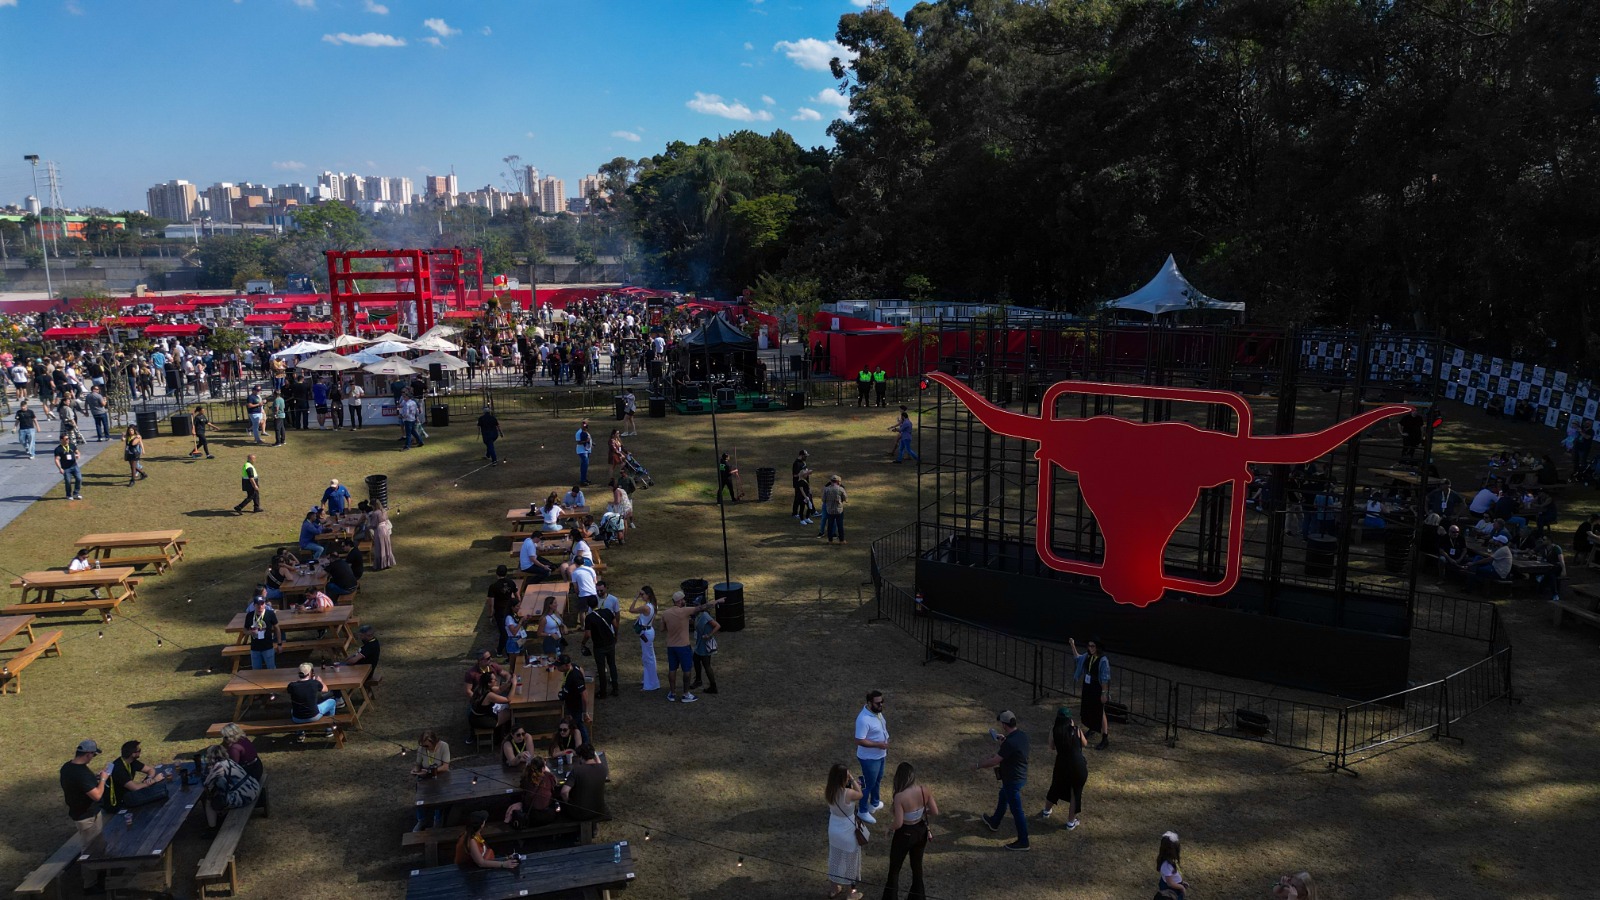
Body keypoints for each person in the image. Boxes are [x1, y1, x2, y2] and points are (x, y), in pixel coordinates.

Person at [975, 710, 1030, 850]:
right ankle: (994, 822)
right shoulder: (1021, 736)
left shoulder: (1009, 743)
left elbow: (995, 761)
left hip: (1012, 780)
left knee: (1017, 811)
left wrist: (978, 765)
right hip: (1020, 776)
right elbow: (1015, 751)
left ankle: (1023, 842)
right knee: (1003, 794)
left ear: (1005, 725)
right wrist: (1004, 742)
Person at [882, 762, 937, 900]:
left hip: (905, 833)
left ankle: (890, 897)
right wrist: (921, 812)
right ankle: (918, 896)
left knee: (895, 868)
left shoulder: (899, 797)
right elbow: (935, 811)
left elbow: (899, 822)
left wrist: (889, 828)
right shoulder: (924, 790)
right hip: (920, 831)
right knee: (917, 867)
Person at [1040, 706, 1088, 829]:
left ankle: (1046, 811)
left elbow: (1052, 746)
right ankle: (1071, 822)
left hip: (1062, 764)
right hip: (1078, 766)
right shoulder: (1076, 730)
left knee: (1055, 787)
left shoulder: (1054, 730)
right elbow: (1084, 743)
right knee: (1075, 793)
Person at [825, 763, 866, 900]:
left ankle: (834, 889)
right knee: (850, 863)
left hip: (834, 829)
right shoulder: (848, 793)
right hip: (847, 831)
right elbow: (860, 794)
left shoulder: (829, 791)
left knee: (835, 859)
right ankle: (851, 893)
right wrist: (853, 779)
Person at [200, 743, 261, 829]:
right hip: (253, 787)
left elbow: (206, 784)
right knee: (220, 792)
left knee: (209, 800)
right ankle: (220, 815)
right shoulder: (230, 761)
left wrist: (207, 772)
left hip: (245, 795)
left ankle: (212, 828)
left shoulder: (217, 768)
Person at [1068, 636, 1113, 749]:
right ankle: (1092, 728)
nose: (1090, 648)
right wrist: (1072, 645)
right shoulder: (1087, 656)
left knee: (1100, 711)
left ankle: (1105, 738)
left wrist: (1104, 693)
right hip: (1088, 686)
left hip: (1097, 687)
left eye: (1093, 646)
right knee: (1089, 707)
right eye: (1089, 646)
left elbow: (1105, 678)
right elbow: (1077, 658)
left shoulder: (1103, 660)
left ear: (1097, 647)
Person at [657, 590, 699, 703]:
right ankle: (686, 694)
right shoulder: (684, 611)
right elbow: (700, 608)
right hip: (683, 646)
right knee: (687, 670)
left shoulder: (666, 613)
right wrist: (717, 601)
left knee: (672, 669)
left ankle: (672, 693)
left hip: (671, 646)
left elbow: (661, 629)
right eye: (683, 599)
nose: (684, 601)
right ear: (679, 601)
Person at [854, 690, 889, 823]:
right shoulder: (863, 719)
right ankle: (862, 810)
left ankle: (874, 803)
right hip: (869, 758)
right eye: (878, 703)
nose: (881, 705)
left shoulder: (877, 713)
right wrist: (878, 745)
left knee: (877, 779)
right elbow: (859, 740)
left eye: (882, 702)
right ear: (869, 703)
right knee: (868, 784)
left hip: (880, 755)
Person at [105, 740, 169, 811]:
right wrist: (154, 780)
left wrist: (149, 778)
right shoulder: (119, 769)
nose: (140, 752)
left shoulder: (130, 761)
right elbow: (135, 788)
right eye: (139, 750)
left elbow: (150, 770)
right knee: (158, 796)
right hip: (117, 804)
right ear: (133, 754)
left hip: (127, 795)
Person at [464, 650, 509, 744]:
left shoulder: (493, 666)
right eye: (488, 658)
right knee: (471, 712)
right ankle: (473, 733)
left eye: (490, 657)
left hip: (493, 694)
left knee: (507, 707)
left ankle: (503, 731)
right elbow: (468, 691)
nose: (491, 659)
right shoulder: (471, 673)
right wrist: (478, 700)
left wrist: (508, 680)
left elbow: (505, 673)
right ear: (480, 660)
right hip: (479, 698)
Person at [409, 729, 451, 831]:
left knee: (438, 796)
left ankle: (437, 820)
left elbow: (445, 767)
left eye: (427, 746)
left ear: (434, 742)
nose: (424, 748)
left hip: (440, 776)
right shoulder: (421, 749)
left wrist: (429, 771)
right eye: (423, 745)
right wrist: (416, 771)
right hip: (425, 777)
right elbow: (418, 764)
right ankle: (421, 820)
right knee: (420, 798)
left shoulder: (444, 746)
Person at [504, 757, 560, 828]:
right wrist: (548, 771)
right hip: (548, 816)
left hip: (532, 817)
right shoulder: (548, 776)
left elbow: (522, 785)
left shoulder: (527, 777)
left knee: (517, 799)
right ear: (543, 768)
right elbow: (555, 782)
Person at [560, 744, 609, 822]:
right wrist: (595, 755)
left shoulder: (577, 770)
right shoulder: (603, 769)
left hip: (580, 814)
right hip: (598, 810)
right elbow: (599, 763)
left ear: (581, 757)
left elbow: (564, 792)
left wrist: (568, 802)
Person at [583, 596, 620, 699]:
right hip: (610, 643)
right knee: (612, 665)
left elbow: (588, 634)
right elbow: (615, 625)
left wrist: (583, 643)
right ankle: (615, 688)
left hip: (599, 646)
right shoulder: (608, 611)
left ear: (588, 606)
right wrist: (616, 636)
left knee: (601, 668)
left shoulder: (589, 618)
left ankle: (603, 691)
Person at [286, 662, 337, 731]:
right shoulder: (314, 683)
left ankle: (300, 733)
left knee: (293, 709)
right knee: (332, 701)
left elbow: (290, 691)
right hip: (314, 716)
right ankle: (329, 729)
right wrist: (320, 681)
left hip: (297, 719)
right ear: (310, 673)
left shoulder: (292, 685)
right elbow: (326, 689)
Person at [556, 653, 593, 744]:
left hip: (576, 705)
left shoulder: (575, 677)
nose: (557, 667)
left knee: (578, 724)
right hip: (570, 701)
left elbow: (584, 694)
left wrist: (585, 712)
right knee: (575, 723)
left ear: (566, 665)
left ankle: (586, 744)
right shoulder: (572, 667)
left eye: (559, 666)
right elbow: (581, 668)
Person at [630, 586, 660, 692]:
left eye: (642, 594)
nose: (641, 596)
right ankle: (649, 680)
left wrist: (635, 598)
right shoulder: (654, 605)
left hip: (646, 633)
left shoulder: (646, 608)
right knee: (649, 656)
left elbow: (631, 610)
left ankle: (651, 684)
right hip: (649, 631)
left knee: (648, 658)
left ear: (648, 595)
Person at [688, 599, 720, 695]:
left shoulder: (705, 615)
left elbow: (717, 626)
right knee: (696, 660)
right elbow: (697, 624)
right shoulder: (698, 615)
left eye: (696, 605)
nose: (695, 606)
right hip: (699, 644)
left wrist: (709, 635)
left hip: (704, 645)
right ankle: (698, 680)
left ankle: (713, 687)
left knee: (706, 665)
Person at [244, 593, 283, 670]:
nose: (260, 606)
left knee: (271, 670)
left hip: (268, 647)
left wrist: (279, 644)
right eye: (258, 604)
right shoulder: (249, 615)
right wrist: (250, 632)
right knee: (256, 671)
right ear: (254, 605)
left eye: (262, 604)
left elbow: (277, 628)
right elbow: (245, 630)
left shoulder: (270, 614)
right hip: (255, 648)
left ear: (265, 604)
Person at [487, 565, 520, 656]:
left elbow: (491, 603)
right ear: (506, 573)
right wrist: (517, 606)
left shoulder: (493, 586)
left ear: (496, 573)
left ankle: (501, 651)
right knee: (509, 630)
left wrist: (490, 615)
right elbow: (517, 596)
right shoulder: (511, 582)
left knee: (503, 632)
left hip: (500, 611)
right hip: (509, 610)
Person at [1155, 831, 1188, 899]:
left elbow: (1173, 876)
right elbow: (1170, 883)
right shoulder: (1167, 866)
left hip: (1174, 885)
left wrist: (1181, 882)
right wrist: (1181, 887)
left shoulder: (1171, 861)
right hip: (1172, 890)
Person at [365, 500, 395, 570]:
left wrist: (367, 526)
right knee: (386, 546)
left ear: (374, 506)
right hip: (386, 529)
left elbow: (374, 524)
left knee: (379, 547)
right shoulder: (384, 511)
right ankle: (387, 563)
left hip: (379, 531)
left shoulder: (375, 513)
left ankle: (380, 565)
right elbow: (386, 519)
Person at [54, 432, 83, 501]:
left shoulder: (72, 445)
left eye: (68, 438)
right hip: (66, 468)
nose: (68, 440)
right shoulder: (58, 449)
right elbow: (57, 459)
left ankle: (76, 493)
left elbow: (77, 452)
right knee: (68, 481)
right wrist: (60, 468)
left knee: (79, 478)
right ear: (61, 440)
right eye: (66, 439)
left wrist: (78, 455)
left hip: (74, 465)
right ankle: (68, 495)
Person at [819, 474, 848, 543]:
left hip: (830, 510)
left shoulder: (826, 489)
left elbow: (823, 500)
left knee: (830, 525)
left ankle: (830, 540)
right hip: (839, 510)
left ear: (831, 481)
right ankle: (841, 540)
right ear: (838, 481)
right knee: (840, 525)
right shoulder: (841, 489)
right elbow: (845, 499)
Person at [792, 449, 815, 524]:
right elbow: (795, 475)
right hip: (799, 484)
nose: (806, 457)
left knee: (808, 497)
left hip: (805, 483)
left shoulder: (803, 462)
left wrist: (807, 473)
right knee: (799, 500)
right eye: (805, 456)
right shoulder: (796, 464)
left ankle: (811, 512)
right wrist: (806, 473)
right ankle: (795, 513)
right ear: (801, 455)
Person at [574, 418, 594, 484]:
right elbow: (578, 442)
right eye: (584, 425)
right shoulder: (579, 433)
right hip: (582, 451)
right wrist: (586, 441)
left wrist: (591, 443)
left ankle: (584, 479)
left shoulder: (586, 431)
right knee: (584, 465)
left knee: (585, 465)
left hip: (587, 450)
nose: (586, 426)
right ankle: (583, 480)